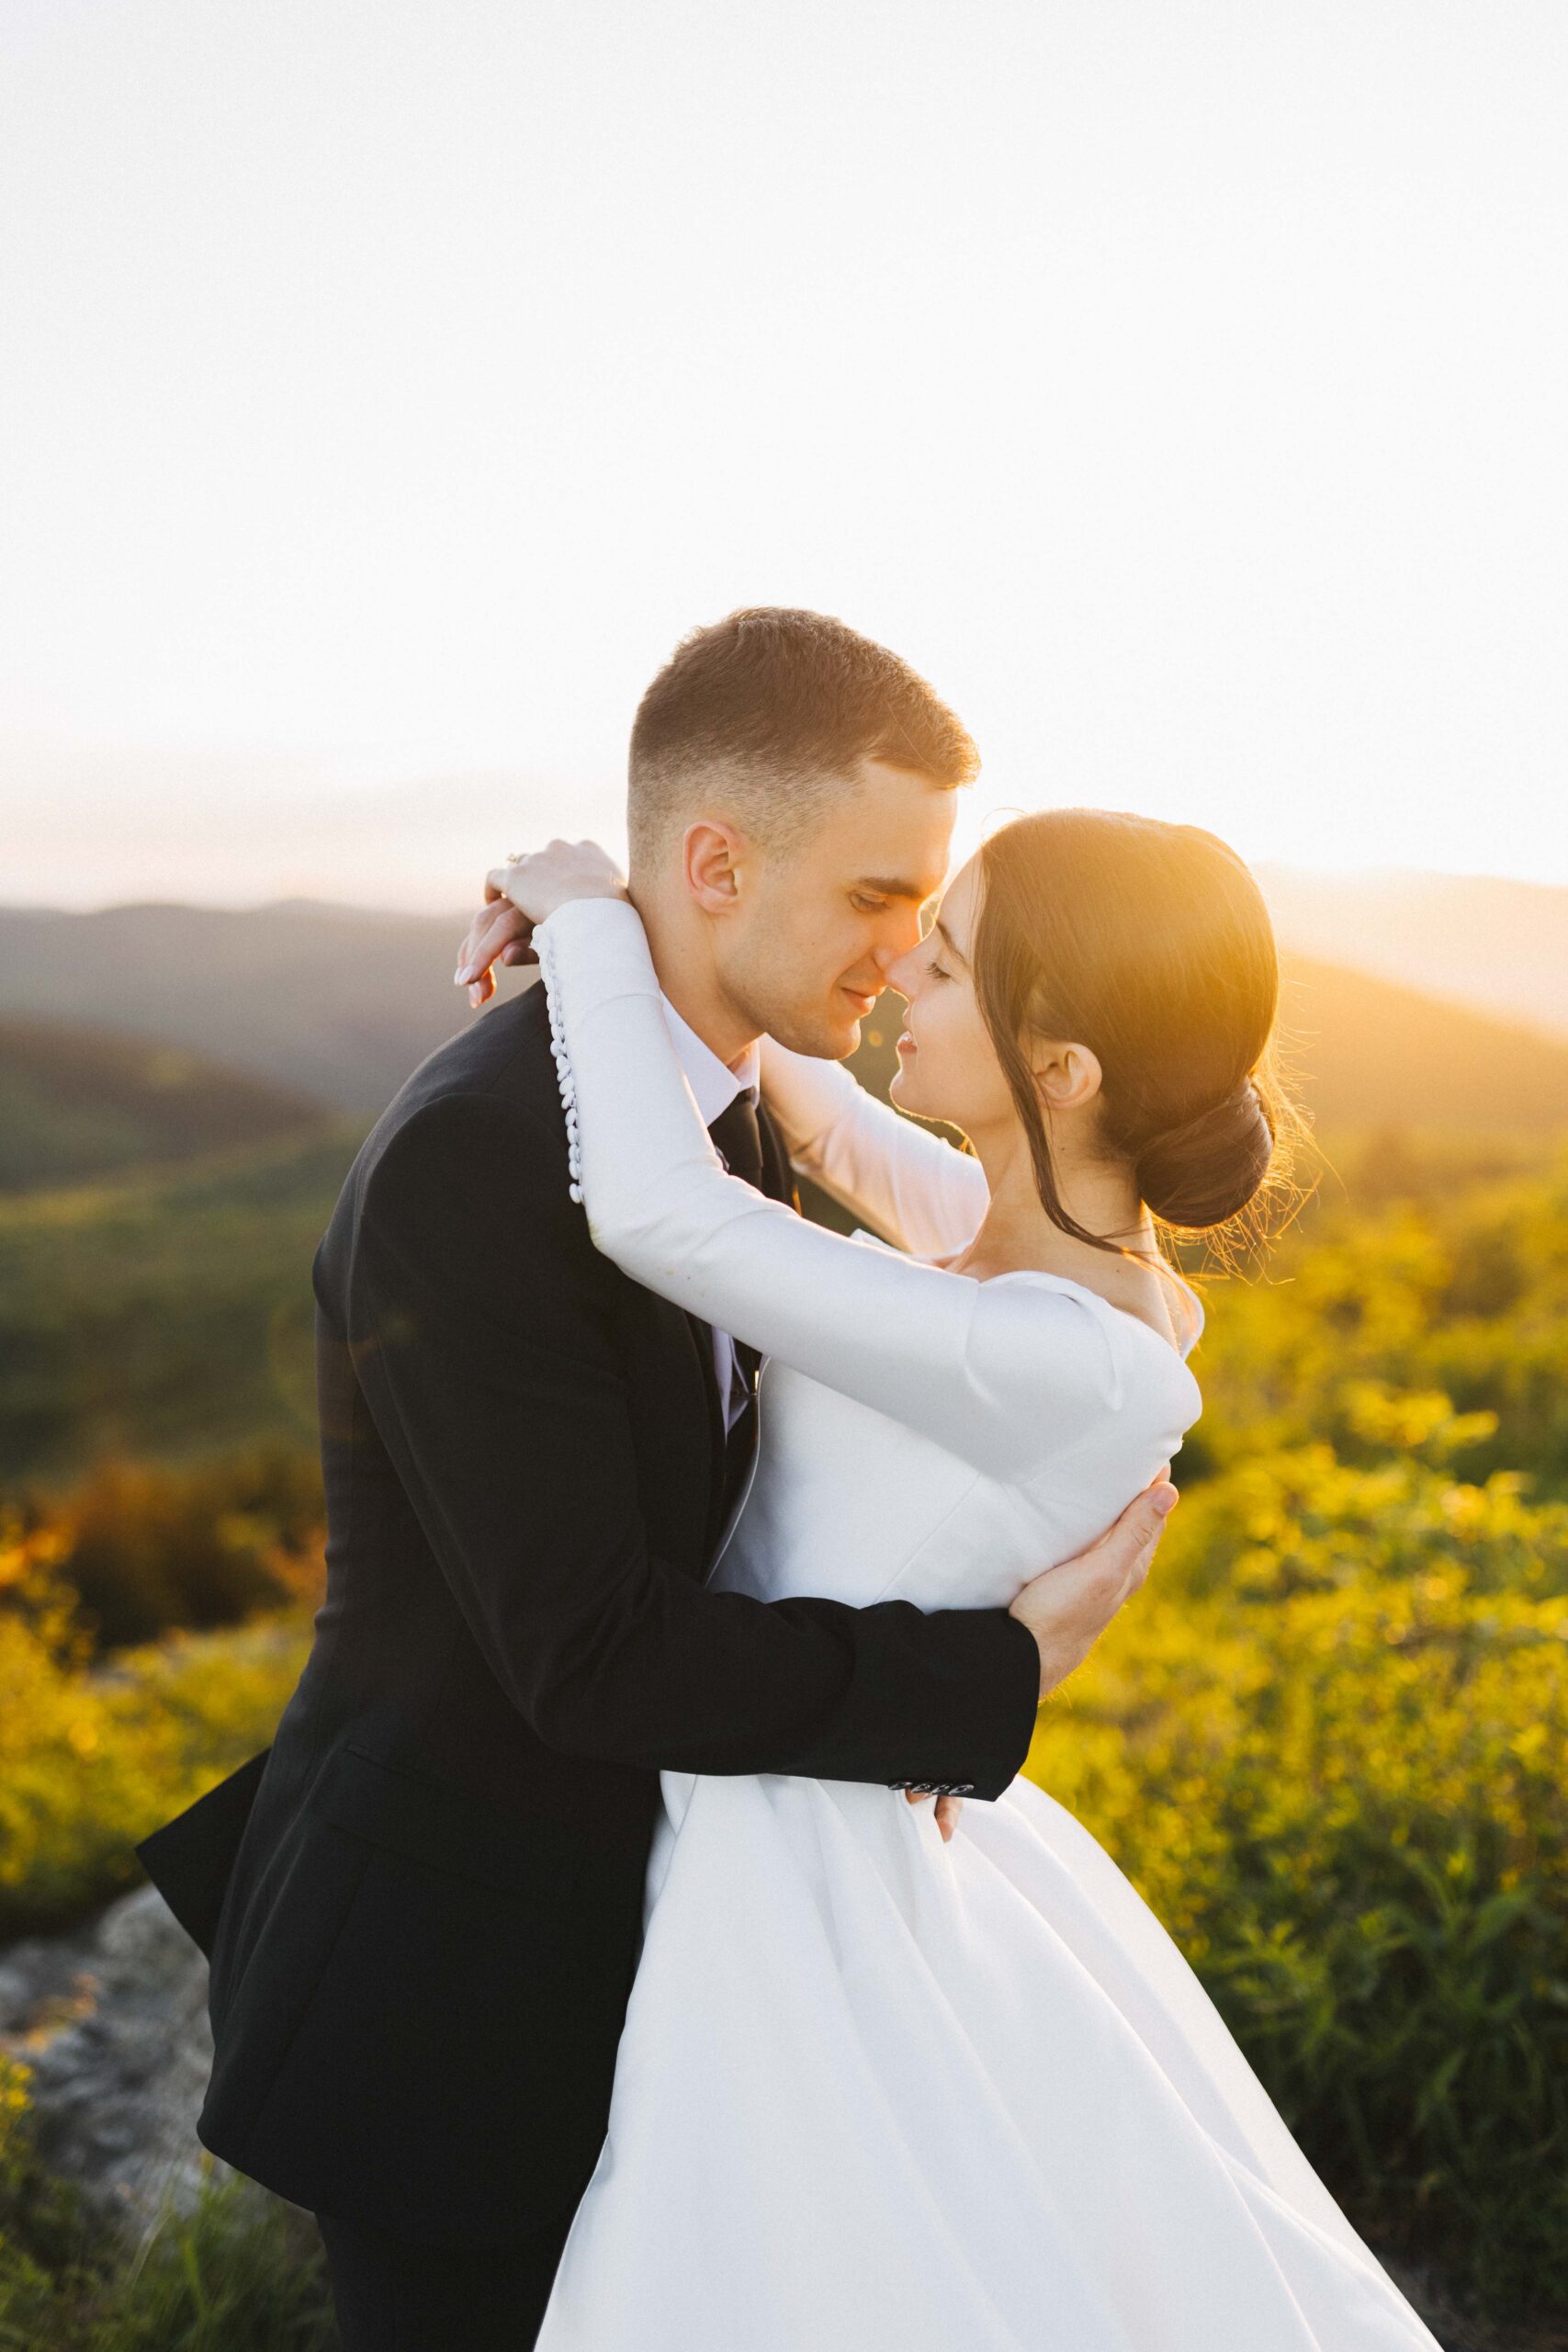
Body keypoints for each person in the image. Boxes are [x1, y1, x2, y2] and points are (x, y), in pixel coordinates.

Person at [133, 609, 1175, 2352]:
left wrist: (591, 926)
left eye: (928, 911)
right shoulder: (478, 1159)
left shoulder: (738, 1104)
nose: (909, 951)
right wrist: (988, 1674)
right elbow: (591, 1653)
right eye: (874, 897)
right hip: (451, 1993)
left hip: (667, 1955)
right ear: (713, 862)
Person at [463, 808, 1442, 2349]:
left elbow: (664, 1214)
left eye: (951, 956)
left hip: (786, 1860)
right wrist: (682, 947)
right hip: (780, 1780)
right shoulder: (1044, 1271)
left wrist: (587, 915)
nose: (907, 964)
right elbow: (833, 1128)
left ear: (1062, 1071)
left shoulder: (1066, 1361)